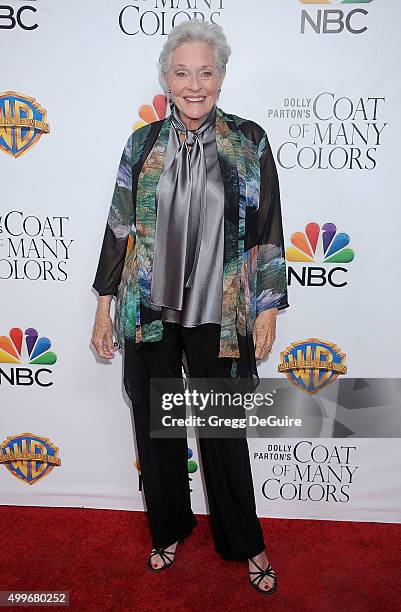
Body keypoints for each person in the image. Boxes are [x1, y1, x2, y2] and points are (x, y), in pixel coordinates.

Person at [92, 18, 289, 595]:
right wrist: (105, 307)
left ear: (222, 78)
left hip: (221, 316)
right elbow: (119, 228)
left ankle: (244, 541)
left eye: (205, 72)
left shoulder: (248, 141)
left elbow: (268, 229)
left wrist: (267, 307)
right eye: (182, 73)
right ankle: (169, 528)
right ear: (167, 79)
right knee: (157, 430)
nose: (193, 84)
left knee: (223, 432)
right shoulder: (143, 143)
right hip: (150, 312)